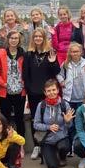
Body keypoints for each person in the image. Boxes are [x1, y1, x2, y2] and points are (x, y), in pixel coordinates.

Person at [22, 28, 60, 160]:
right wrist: (28, 91)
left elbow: (56, 71)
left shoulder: (49, 52)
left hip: (47, 93)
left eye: (40, 36)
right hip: (33, 93)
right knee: (35, 119)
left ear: (44, 38)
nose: (38, 38)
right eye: (36, 36)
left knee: (50, 118)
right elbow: (25, 75)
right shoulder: (28, 54)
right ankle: (37, 145)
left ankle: (51, 144)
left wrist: (53, 61)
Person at [33, 80, 75, 168]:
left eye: (53, 90)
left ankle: (62, 156)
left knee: (64, 147)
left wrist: (68, 121)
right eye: (48, 90)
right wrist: (48, 127)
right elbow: (36, 124)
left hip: (61, 138)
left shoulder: (64, 105)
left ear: (58, 90)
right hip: (48, 140)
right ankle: (47, 152)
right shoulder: (41, 106)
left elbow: (70, 126)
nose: (51, 93)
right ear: (45, 92)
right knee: (53, 167)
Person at [0, 30, 26, 137]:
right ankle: (6, 141)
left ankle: (21, 142)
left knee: (19, 119)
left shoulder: (23, 54)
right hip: (5, 91)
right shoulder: (1, 54)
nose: (14, 40)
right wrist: (2, 83)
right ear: (8, 39)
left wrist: (23, 83)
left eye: (16, 38)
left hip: (19, 91)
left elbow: (26, 72)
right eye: (12, 38)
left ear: (19, 40)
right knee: (5, 119)